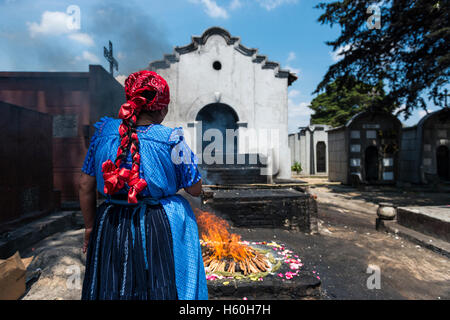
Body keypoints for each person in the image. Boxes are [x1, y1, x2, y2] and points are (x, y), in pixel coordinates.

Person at [79, 70, 208, 300]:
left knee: (112, 284)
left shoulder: (101, 133)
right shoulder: (172, 138)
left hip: (110, 224)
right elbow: (194, 188)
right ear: (161, 108)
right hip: (157, 225)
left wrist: (90, 229)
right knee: (159, 284)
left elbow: (85, 185)